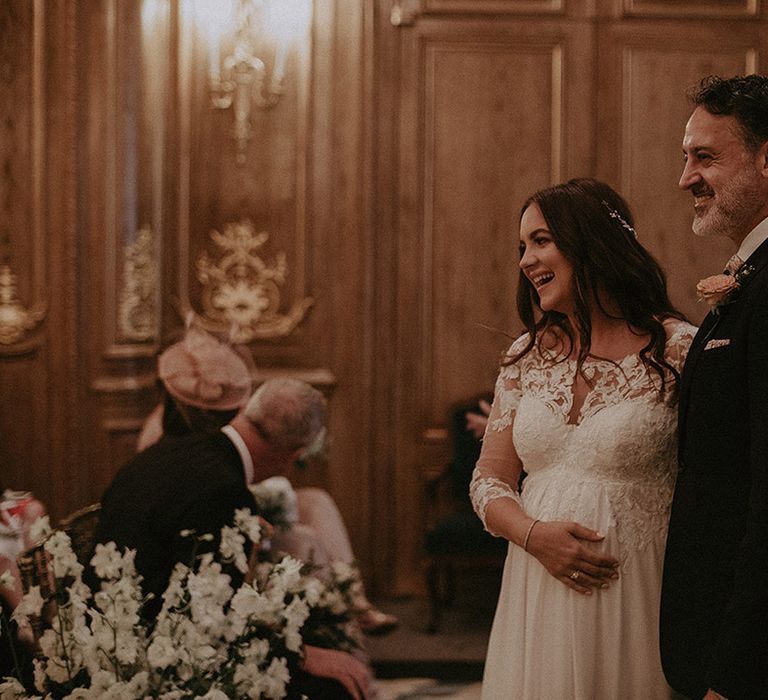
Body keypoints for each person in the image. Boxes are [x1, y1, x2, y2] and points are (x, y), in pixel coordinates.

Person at [470, 177, 696, 699]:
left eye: (541, 240)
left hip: (640, 590)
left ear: (591, 241)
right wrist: (533, 536)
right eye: (522, 247)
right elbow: (488, 481)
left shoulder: (677, 350)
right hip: (538, 586)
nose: (526, 260)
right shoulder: (525, 356)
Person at [95, 377, 372, 699]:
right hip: (151, 661)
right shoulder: (225, 493)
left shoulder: (164, 453)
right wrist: (301, 656)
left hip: (107, 635)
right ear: (293, 455)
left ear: (246, 409)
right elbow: (213, 623)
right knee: (337, 687)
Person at [136, 324, 398, 635]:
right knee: (305, 540)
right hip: (225, 537)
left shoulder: (227, 411)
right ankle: (337, 631)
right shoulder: (162, 429)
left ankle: (354, 598)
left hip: (249, 510)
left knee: (317, 500)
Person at [660, 74, 768, 700]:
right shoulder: (749, 278)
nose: (685, 178)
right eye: (685, 157)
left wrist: (732, 673)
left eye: (705, 157)